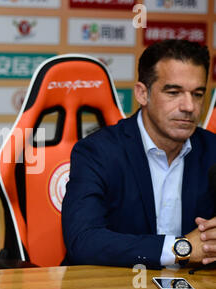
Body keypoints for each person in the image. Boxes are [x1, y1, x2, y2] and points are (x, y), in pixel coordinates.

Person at [62, 39, 216, 269]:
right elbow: (83, 241)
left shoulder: (212, 150)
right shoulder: (98, 152)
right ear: (142, 94)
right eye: (174, 92)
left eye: (197, 94)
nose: (189, 106)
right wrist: (181, 248)